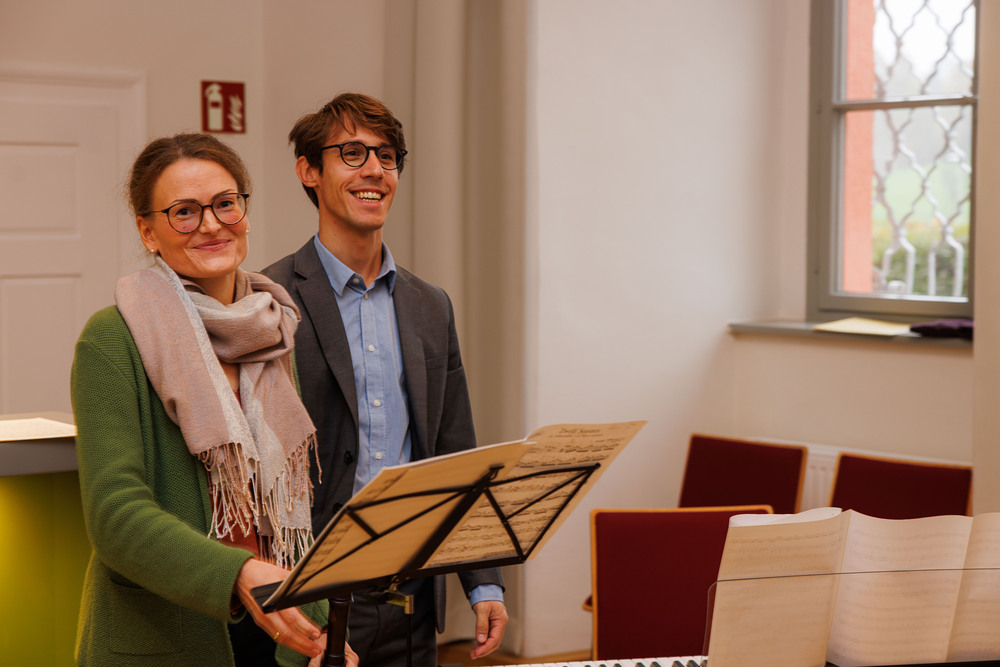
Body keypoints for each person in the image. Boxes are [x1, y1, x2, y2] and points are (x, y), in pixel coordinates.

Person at [70, 133, 358, 667]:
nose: (210, 224)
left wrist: (324, 632)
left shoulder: (273, 329)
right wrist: (237, 573)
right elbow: (115, 516)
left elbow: (287, 512)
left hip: (274, 628)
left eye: (225, 203)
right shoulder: (111, 338)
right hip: (167, 635)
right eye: (184, 212)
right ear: (148, 232)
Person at [262, 92, 509, 666]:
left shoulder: (431, 305)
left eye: (387, 155)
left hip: (411, 597)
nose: (375, 169)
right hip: (308, 598)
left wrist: (484, 582)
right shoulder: (268, 299)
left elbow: (455, 448)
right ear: (309, 171)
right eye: (352, 153)